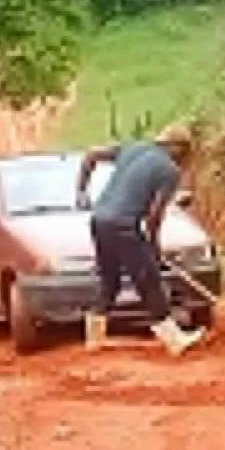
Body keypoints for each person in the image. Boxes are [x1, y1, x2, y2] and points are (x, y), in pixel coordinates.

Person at [76, 123, 206, 356]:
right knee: (150, 280)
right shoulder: (169, 171)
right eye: (185, 153)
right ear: (178, 148)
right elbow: (155, 216)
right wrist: (154, 247)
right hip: (123, 226)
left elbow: (91, 155)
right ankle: (174, 339)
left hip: (99, 221)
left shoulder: (133, 148)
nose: (185, 159)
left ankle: (94, 338)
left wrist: (81, 191)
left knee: (110, 280)